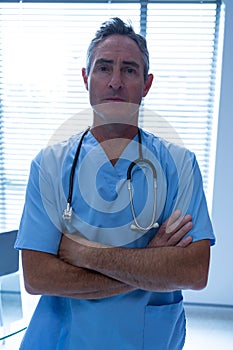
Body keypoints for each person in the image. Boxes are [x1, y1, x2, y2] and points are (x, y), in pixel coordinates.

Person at [15, 17, 215, 350]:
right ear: (86, 78)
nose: (116, 83)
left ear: (147, 84)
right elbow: (37, 277)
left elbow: (194, 271)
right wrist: (149, 263)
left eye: (130, 71)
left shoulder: (180, 165)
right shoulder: (49, 165)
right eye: (104, 68)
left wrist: (82, 253)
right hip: (63, 340)